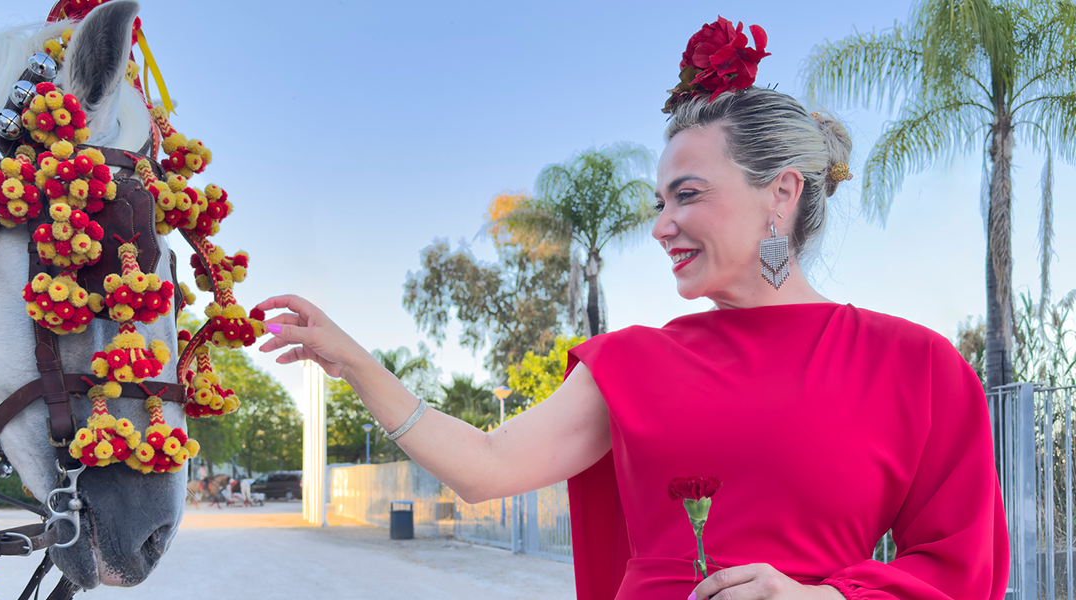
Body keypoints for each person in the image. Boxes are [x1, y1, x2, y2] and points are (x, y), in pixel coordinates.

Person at [256, 18, 1008, 600]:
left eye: (687, 195)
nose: (660, 226)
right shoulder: (636, 363)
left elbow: (964, 571)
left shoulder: (917, 367)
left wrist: (829, 596)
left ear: (781, 194)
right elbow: (485, 467)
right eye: (658, 201)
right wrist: (353, 362)